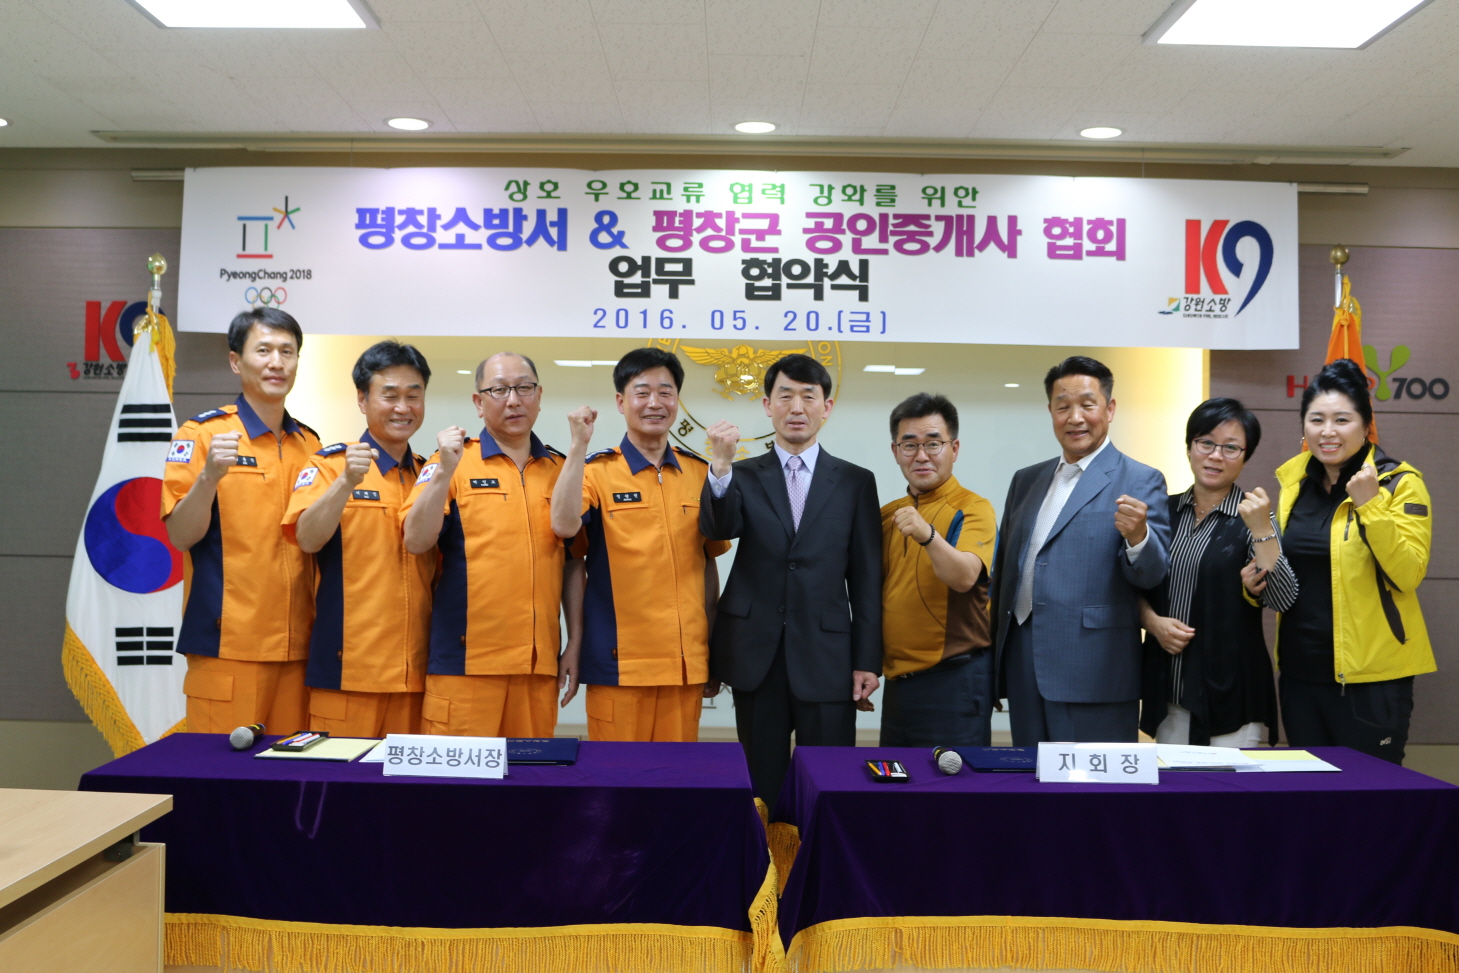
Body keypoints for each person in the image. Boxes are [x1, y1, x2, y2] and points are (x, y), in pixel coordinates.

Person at [700, 353, 882, 812]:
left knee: (829, 780)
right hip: (756, 651)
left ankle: (820, 856)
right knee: (761, 781)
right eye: (785, 396)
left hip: (827, 655)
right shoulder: (741, 475)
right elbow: (719, 529)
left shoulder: (856, 481)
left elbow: (866, 578)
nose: (796, 407)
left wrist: (867, 660)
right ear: (767, 405)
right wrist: (719, 468)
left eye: (808, 396)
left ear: (827, 406)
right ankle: (765, 857)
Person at [549, 348, 731, 741]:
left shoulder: (699, 473)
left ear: (677, 400)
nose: (654, 403)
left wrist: (713, 647)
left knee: (676, 774)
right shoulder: (595, 471)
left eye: (666, 392)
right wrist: (577, 446)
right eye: (642, 392)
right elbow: (563, 526)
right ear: (621, 401)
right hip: (619, 663)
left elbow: (708, 564)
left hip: (685, 665)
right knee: (617, 774)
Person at [401, 352, 584, 738]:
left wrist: (575, 641)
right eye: (499, 390)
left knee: (529, 775)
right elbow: (415, 540)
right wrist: (443, 473)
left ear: (539, 395)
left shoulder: (559, 469)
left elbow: (572, 561)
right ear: (478, 402)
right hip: (465, 665)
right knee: (456, 777)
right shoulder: (451, 461)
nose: (513, 400)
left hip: (536, 668)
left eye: (524, 388)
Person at [989, 356, 1170, 745]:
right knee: (1029, 775)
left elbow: (1153, 574)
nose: (1075, 418)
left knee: (1093, 783)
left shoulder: (1141, 479)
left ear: (1110, 408)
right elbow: (1005, 571)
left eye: (1087, 405)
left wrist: (1138, 537)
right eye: (1063, 406)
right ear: (1050, 411)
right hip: (1023, 662)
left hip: (1094, 667)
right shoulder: (1026, 480)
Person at [161, 307, 321, 734]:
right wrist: (209, 476)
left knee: (291, 771)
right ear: (236, 361)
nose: (276, 362)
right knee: (220, 771)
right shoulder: (202, 435)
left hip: (299, 649)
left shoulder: (311, 445)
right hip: (227, 645)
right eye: (263, 350)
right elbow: (179, 534)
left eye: (287, 351)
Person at [1273, 358, 1435, 764]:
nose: (1327, 431)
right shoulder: (1294, 482)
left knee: (1371, 795)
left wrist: (1370, 506)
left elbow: (1408, 574)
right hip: (1299, 676)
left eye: (1342, 420)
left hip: (1371, 681)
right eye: (1317, 420)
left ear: (1366, 426)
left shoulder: (1400, 483)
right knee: (1309, 793)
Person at [283, 341, 436, 737]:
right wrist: (346, 483)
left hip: (416, 674)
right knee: (340, 776)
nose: (403, 407)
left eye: (413, 395)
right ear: (362, 400)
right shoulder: (330, 465)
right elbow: (307, 538)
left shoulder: (430, 476)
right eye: (390, 395)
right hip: (347, 669)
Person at [1138, 398, 1297, 748]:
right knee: (1173, 783)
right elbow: (1131, 585)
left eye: (1230, 447)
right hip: (1170, 687)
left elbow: (1283, 598)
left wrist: (1262, 529)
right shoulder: (1162, 511)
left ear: (1245, 456)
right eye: (1206, 443)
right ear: (1189, 447)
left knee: (1226, 784)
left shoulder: (1255, 517)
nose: (1215, 456)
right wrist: (1152, 622)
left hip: (1232, 692)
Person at [879, 393, 997, 747]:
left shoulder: (973, 508)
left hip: (955, 680)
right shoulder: (888, 514)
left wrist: (928, 535)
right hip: (898, 683)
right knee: (897, 779)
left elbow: (964, 577)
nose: (921, 456)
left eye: (933, 444)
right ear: (895, 451)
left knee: (952, 782)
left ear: (954, 448)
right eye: (909, 445)